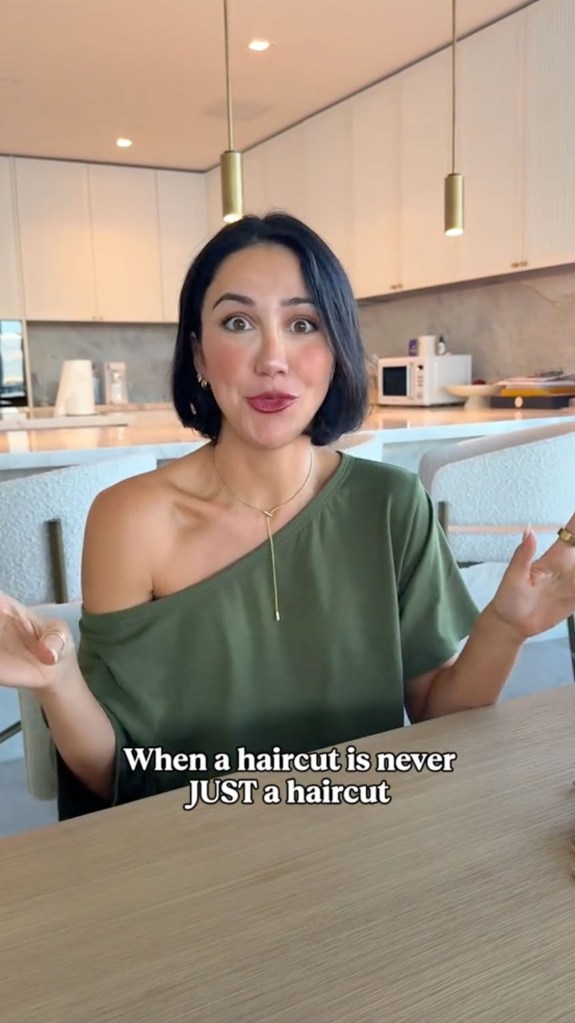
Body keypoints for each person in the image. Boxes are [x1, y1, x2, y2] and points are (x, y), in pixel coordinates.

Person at [0, 212, 574, 821]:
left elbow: (437, 715)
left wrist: (506, 628)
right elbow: (116, 769)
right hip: (183, 854)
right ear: (198, 351)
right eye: (238, 322)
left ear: (336, 351)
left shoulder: (393, 504)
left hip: (359, 837)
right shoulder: (130, 518)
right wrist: (57, 680)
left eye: (303, 324)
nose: (273, 358)